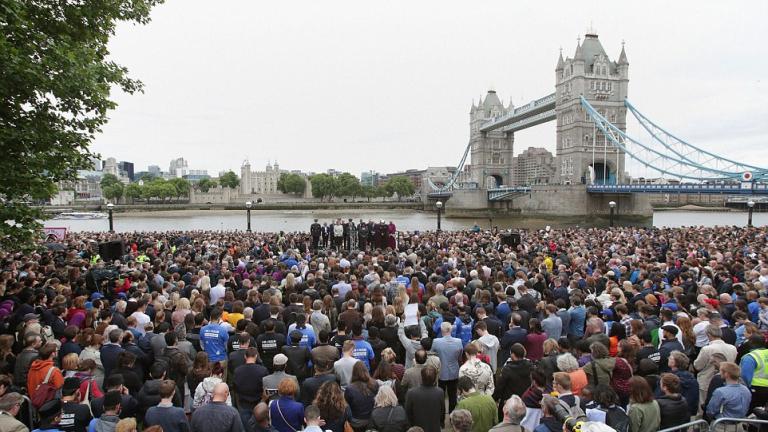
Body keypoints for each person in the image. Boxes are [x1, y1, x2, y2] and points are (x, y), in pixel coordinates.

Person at [693, 325, 737, 413]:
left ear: (708, 335)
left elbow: (698, 366)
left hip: (706, 381)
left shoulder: (707, 349)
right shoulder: (732, 348)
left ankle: (703, 424)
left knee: (703, 407)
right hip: (725, 380)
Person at [432, 321, 463, 412]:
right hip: (454, 371)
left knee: (440, 396)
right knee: (452, 395)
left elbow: (432, 353)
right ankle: (452, 415)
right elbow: (460, 356)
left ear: (441, 330)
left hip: (441, 372)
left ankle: (441, 418)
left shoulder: (436, 341)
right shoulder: (458, 341)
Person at [233, 347, 269, 426]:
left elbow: (235, 388)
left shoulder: (237, 371)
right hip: (259, 404)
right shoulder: (263, 370)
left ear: (245, 356)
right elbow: (266, 389)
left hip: (243, 404)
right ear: (256, 356)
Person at [405, 366, 445, 432]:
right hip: (434, 428)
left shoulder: (411, 393)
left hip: (417, 428)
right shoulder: (439, 392)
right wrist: (441, 423)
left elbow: (408, 413)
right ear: (435, 378)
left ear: (421, 377)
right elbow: (442, 411)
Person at [344, 361, 378, 431]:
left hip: (356, 422)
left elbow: (346, 407)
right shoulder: (375, 384)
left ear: (354, 372)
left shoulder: (349, 388)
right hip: (372, 420)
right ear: (366, 370)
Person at [200, 308, 230, 379]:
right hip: (221, 359)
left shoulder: (202, 329)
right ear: (219, 318)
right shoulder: (223, 330)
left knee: (208, 382)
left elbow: (202, 345)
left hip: (208, 360)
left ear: (210, 317)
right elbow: (226, 346)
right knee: (221, 382)